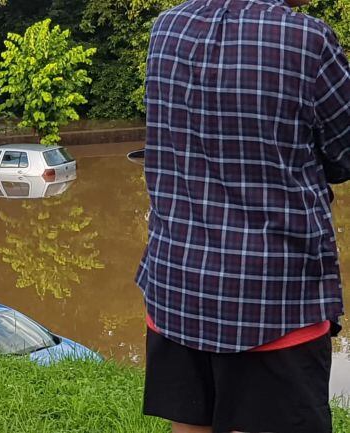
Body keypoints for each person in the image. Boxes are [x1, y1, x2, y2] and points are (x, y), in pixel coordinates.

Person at [138, 0, 348, 431]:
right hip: (275, 300)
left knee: (191, 422)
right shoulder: (308, 40)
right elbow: (345, 155)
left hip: (177, 285)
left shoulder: (166, 28)